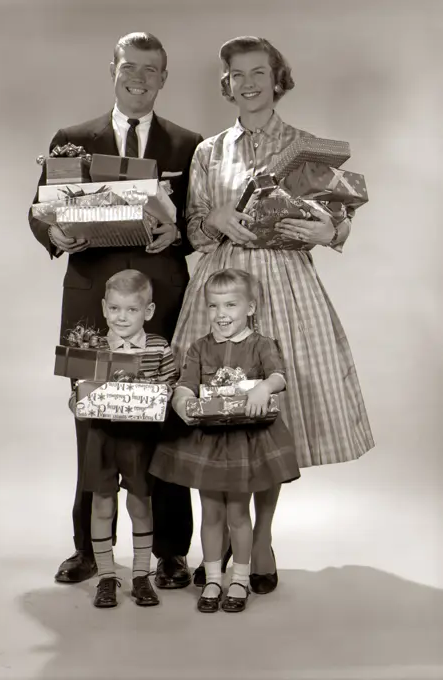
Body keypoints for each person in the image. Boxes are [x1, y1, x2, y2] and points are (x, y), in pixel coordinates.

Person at [170, 36, 375, 594]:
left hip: (284, 285)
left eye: (259, 72)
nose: (249, 83)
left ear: (278, 78)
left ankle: (259, 538)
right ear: (227, 83)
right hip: (221, 287)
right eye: (237, 75)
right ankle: (222, 538)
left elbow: (338, 218)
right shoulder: (209, 151)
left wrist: (331, 230)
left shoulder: (306, 146)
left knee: (266, 413)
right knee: (217, 404)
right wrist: (214, 217)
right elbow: (190, 229)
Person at [28, 32, 202, 589]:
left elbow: (198, 223)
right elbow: (38, 209)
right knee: (93, 419)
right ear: (113, 69)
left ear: (163, 78)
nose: (140, 77)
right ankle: (87, 549)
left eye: (152, 70)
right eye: (131, 66)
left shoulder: (188, 144)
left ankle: (173, 552)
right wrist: (55, 229)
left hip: (164, 299)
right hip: (91, 300)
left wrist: (178, 232)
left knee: (167, 419)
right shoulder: (71, 139)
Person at [150, 269, 300, 613]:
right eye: (214, 306)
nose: (222, 314)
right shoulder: (199, 348)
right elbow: (185, 385)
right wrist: (181, 402)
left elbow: (277, 375)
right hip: (209, 443)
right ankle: (214, 576)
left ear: (250, 307)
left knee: (238, 513)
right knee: (211, 513)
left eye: (231, 304)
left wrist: (264, 387)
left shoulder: (262, 345)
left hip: (245, 443)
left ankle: (240, 578)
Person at [68, 270, 178, 608]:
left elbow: (171, 386)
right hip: (101, 436)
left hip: (140, 438)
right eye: (115, 309)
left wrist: (159, 394)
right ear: (103, 307)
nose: (121, 317)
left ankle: (142, 574)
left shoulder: (159, 347)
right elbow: (78, 392)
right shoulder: (94, 346)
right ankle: (106, 576)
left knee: (141, 502)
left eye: (131, 310)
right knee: (102, 502)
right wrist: (77, 402)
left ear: (147, 311)